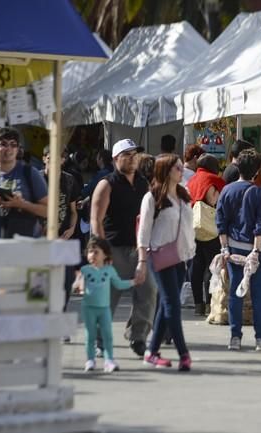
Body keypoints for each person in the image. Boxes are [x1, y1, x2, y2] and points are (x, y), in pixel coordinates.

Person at [91, 138, 157, 357]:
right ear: (115, 159)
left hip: (137, 246)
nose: (131, 159)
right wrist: (102, 252)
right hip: (113, 247)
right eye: (126, 155)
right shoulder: (106, 184)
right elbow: (96, 220)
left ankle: (138, 337)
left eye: (134, 154)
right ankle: (100, 340)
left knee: (148, 290)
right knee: (109, 296)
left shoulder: (142, 184)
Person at [136, 154, 195, 371]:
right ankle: (183, 353)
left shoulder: (182, 195)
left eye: (181, 167)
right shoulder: (152, 198)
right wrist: (142, 261)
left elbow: (188, 228)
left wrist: (190, 253)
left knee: (165, 304)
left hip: (180, 257)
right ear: (166, 170)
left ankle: (151, 352)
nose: (182, 170)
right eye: (177, 167)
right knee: (172, 304)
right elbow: (143, 233)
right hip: (159, 255)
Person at [216, 149, 261, 351]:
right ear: (257, 171)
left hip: (234, 248)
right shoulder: (260, 193)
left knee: (235, 293)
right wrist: (256, 250)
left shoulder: (226, 190)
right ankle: (260, 339)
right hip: (258, 249)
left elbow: (221, 222)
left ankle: (235, 337)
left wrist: (224, 247)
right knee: (258, 294)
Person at [76, 237, 136, 373]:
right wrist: (78, 285)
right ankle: (90, 360)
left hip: (104, 309)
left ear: (105, 255)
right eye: (90, 252)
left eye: (96, 252)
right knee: (90, 336)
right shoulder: (85, 270)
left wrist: (133, 282)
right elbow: (78, 284)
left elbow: (119, 284)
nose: (92, 255)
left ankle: (109, 361)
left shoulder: (109, 270)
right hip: (89, 309)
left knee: (107, 335)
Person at [41, 145, 80, 316]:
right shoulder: (37, 178)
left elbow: (73, 211)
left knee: (66, 280)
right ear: (44, 159)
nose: (54, 162)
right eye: (50, 158)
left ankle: (60, 314)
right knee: (42, 279)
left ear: (64, 160)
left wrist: (71, 228)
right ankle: (43, 316)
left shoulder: (69, 180)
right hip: (40, 238)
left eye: (59, 158)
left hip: (63, 236)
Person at [188, 154, 225, 316]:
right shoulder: (214, 180)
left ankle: (198, 303)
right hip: (211, 229)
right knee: (211, 267)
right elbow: (217, 201)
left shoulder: (192, 180)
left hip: (194, 228)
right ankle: (210, 303)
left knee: (196, 266)